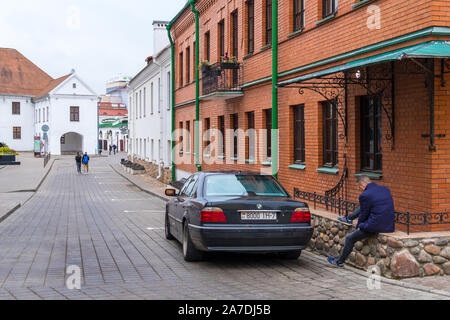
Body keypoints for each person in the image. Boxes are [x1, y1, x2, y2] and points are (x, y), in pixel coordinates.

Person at [328, 175, 395, 268]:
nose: (360, 190)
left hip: (375, 225)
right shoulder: (385, 189)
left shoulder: (365, 195)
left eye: (360, 187)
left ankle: (340, 261)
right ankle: (349, 218)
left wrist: (359, 226)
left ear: (363, 185)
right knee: (365, 205)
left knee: (350, 238)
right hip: (389, 224)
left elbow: (363, 214)